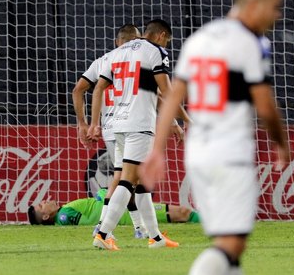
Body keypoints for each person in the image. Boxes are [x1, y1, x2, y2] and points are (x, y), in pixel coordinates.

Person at [140, 0, 289, 275]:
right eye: (275, 6)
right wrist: (281, 142)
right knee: (231, 244)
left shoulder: (201, 38)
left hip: (199, 154)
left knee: (230, 245)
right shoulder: (250, 42)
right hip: (229, 152)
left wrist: (157, 149)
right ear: (255, 3)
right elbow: (265, 104)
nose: (278, 15)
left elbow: (172, 97)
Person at [87, 19, 190, 251]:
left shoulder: (117, 52)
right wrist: (187, 119)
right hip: (139, 125)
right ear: (162, 35)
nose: (167, 45)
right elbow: (167, 92)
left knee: (140, 182)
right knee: (129, 180)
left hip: (117, 125)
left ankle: (155, 237)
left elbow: (99, 88)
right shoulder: (155, 52)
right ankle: (103, 233)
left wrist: (94, 123)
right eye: (168, 41)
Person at [72, 24, 146, 238]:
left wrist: (83, 124)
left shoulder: (103, 60)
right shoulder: (138, 62)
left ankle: (139, 228)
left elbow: (78, 90)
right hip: (131, 125)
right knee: (124, 178)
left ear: (117, 41)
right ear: (136, 41)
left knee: (127, 177)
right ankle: (105, 226)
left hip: (111, 127)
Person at [27, 189, 200, 226]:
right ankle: (216, 225)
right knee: (183, 213)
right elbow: (92, 220)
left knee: (182, 214)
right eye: (42, 205)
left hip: (123, 207)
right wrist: (105, 196)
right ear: (45, 216)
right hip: (125, 213)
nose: (45, 200)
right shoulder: (64, 215)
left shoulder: (66, 210)